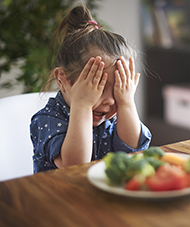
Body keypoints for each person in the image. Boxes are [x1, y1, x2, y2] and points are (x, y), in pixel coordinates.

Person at [30, 5, 151, 173]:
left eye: (117, 89)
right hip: (57, 196)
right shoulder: (47, 120)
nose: (110, 100)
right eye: (98, 88)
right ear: (63, 80)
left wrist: (126, 103)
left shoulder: (115, 116)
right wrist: (82, 106)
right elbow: (74, 165)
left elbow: (134, 150)